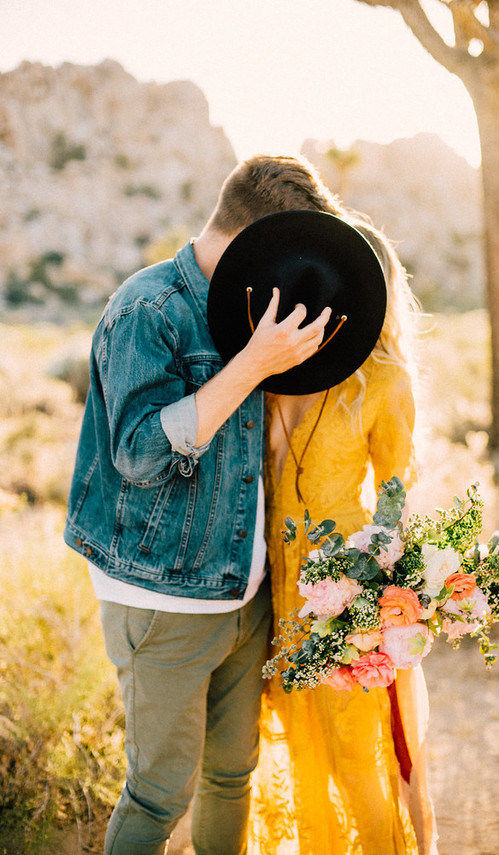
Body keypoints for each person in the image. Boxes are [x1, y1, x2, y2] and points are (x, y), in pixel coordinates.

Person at [64, 155, 346, 855]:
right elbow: (136, 453)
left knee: (232, 775)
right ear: (258, 235)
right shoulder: (147, 308)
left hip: (242, 592)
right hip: (162, 601)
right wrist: (251, 363)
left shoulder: (256, 302)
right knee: (158, 795)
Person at [248, 219, 439, 855]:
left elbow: (394, 499)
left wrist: (373, 599)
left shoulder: (386, 380)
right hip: (267, 580)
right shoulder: (277, 362)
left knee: (356, 757)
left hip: (340, 587)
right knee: (294, 745)